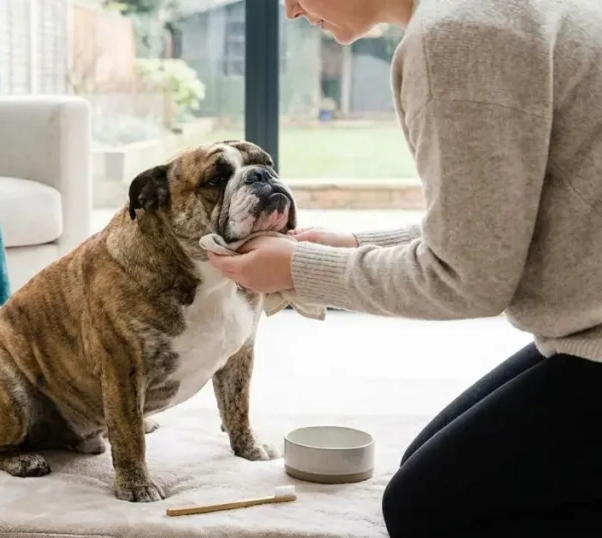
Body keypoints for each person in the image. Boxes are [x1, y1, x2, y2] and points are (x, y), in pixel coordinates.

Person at [207, 0, 602, 536]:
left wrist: (302, 269)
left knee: (426, 508)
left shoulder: (456, 36)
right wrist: (352, 243)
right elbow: (494, 222)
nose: (289, 11)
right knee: (426, 466)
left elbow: (469, 281)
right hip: (586, 324)